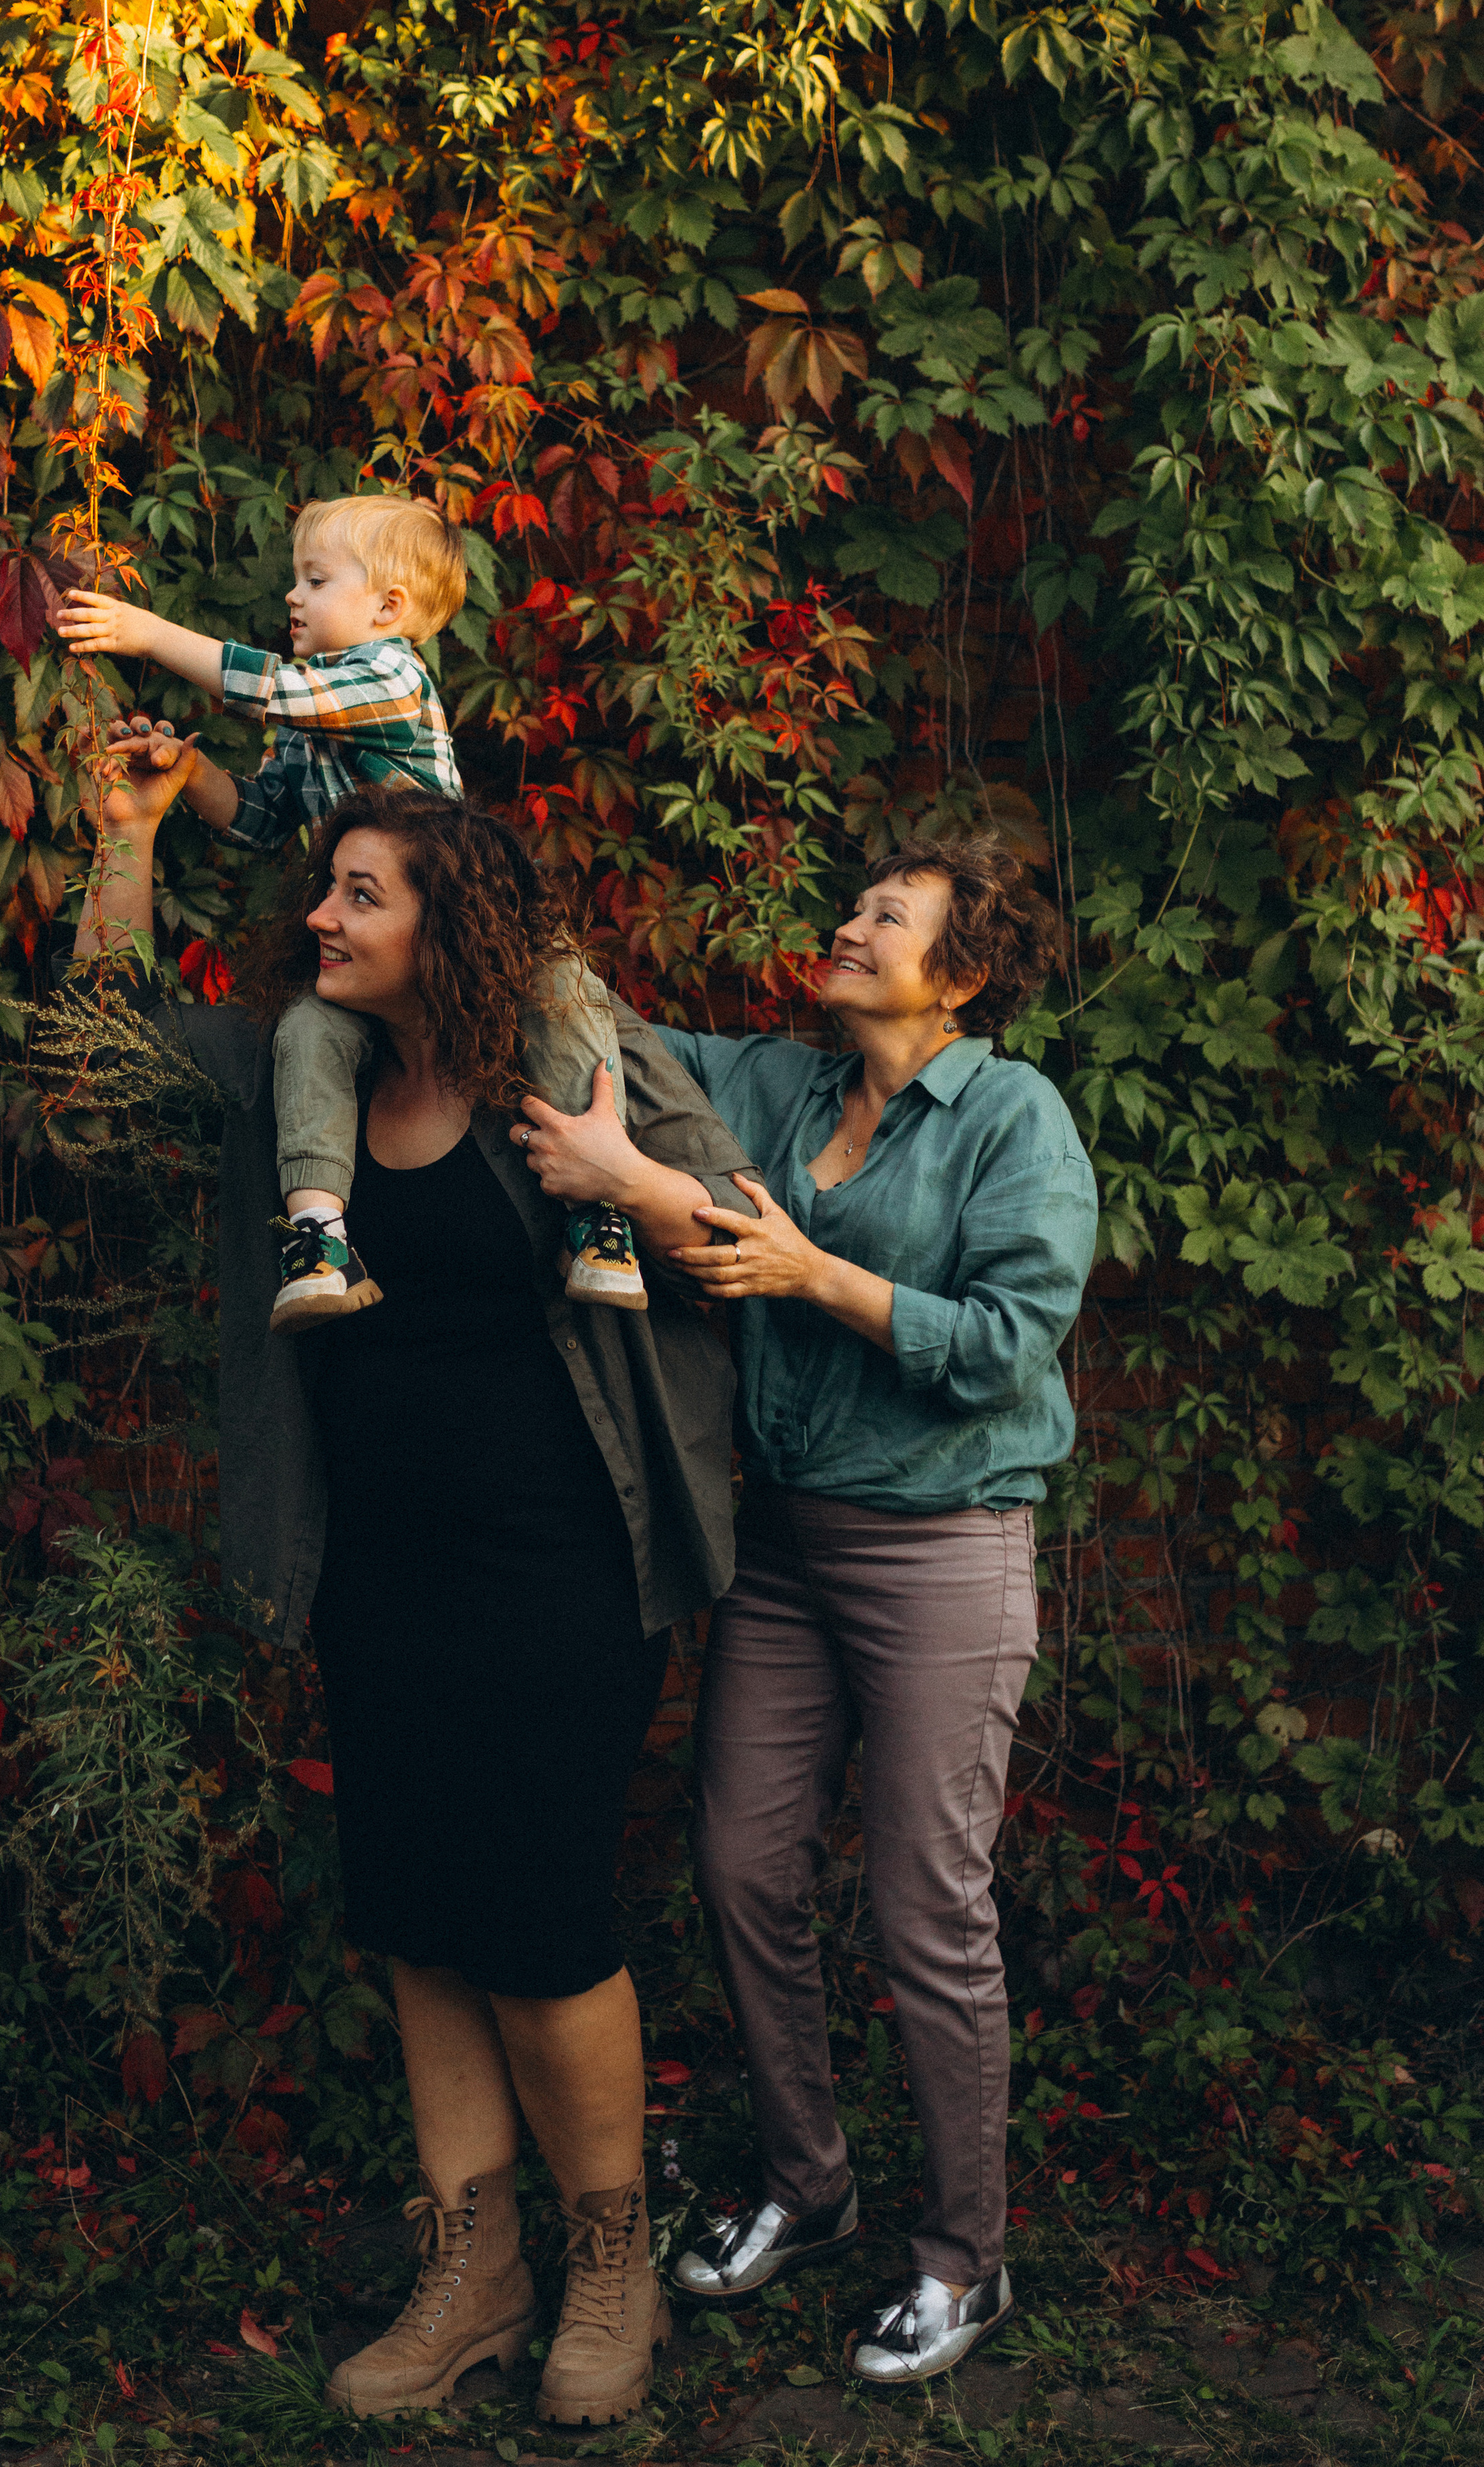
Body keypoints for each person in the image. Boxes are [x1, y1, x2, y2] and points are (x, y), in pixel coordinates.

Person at [68, 754, 759, 2429]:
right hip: (375, 1569)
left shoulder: (565, 1061)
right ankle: (476, 2269)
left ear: (447, 918)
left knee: (537, 1919)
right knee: (414, 1917)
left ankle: (608, 2264)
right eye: (324, 888)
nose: (319, 914)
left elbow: (741, 1228)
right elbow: (103, 1056)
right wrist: (123, 837)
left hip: (558, 1568)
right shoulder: (303, 1079)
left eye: (358, 892)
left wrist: (617, 1177)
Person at [521, 836, 1096, 2385]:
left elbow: (1007, 1345)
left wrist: (808, 1271)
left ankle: (961, 2260)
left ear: (959, 971)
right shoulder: (765, 1083)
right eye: (852, 905)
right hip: (776, 1544)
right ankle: (809, 2178)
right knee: (738, 1857)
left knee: (926, 1908)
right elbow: (597, 1028)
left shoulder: (1010, 1117)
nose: (844, 926)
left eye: (883, 917)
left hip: (939, 1549)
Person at [54, 490, 648, 1332]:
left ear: (388, 608)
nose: (292, 597)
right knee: (306, 1033)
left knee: (561, 990)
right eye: (298, 579)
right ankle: (320, 1238)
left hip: (469, 929)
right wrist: (186, 782)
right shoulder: (307, 720)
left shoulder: (388, 673)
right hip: (382, 954)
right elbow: (260, 820)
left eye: (315, 579)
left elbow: (271, 689)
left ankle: (603, 1212)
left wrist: (147, 634)